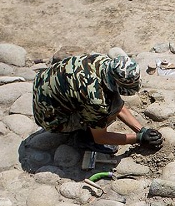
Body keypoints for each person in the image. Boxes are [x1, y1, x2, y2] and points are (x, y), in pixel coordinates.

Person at [33, 53, 163, 154]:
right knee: (105, 114)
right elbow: (101, 137)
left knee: (111, 103)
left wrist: (142, 130)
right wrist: (139, 138)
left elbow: (119, 106)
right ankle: (85, 139)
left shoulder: (102, 61)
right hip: (50, 118)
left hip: (43, 88)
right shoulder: (96, 100)